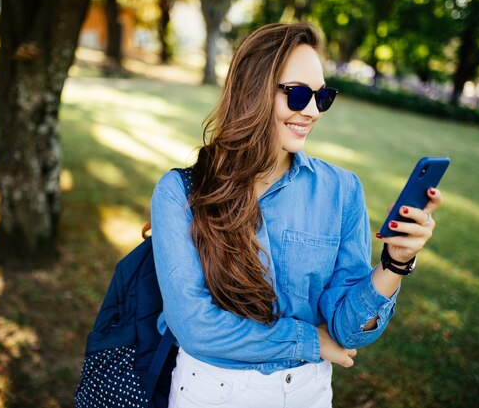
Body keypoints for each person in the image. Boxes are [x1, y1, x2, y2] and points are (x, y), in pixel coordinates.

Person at [150, 22, 442, 408]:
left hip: (307, 393)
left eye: (322, 97)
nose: (312, 111)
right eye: (298, 94)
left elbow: (348, 331)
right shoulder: (179, 192)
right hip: (210, 392)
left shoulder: (342, 190)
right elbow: (195, 327)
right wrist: (310, 341)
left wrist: (396, 262)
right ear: (252, 91)